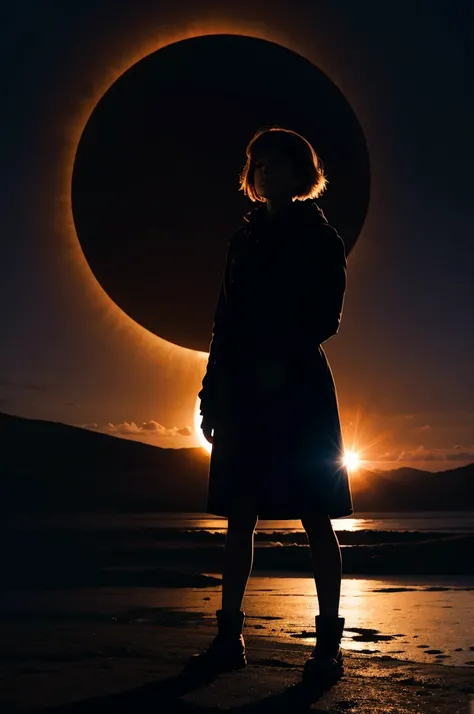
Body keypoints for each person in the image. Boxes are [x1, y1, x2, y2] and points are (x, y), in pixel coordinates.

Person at [185, 126, 354, 688]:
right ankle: (228, 638)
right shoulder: (242, 240)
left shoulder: (319, 237)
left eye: (274, 162)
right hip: (241, 390)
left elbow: (325, 316)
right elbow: (222, 322)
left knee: (314, 514)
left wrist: (277, 357)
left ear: (298, 170)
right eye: (256, 164)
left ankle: (328, 645)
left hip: (298, 387)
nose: (262, 171)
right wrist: (212, 392)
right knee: (240, 514)